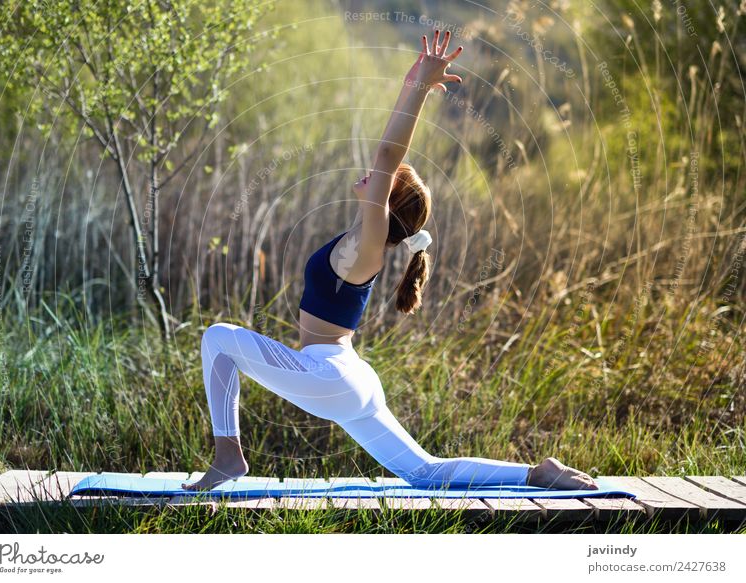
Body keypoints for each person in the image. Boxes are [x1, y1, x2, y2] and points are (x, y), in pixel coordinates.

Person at [182, 30, 598, 492]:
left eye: (385, 181)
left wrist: (420, 87)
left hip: (328, 374)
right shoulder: (364, 239)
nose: (370, 174)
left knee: (218, 338)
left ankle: (228, 458)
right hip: (348, 375)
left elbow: (387, 152)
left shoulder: (371, 245)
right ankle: (536, 473)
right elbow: (383, 157)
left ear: (388, 202)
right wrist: (409, 84)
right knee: (423, 472)